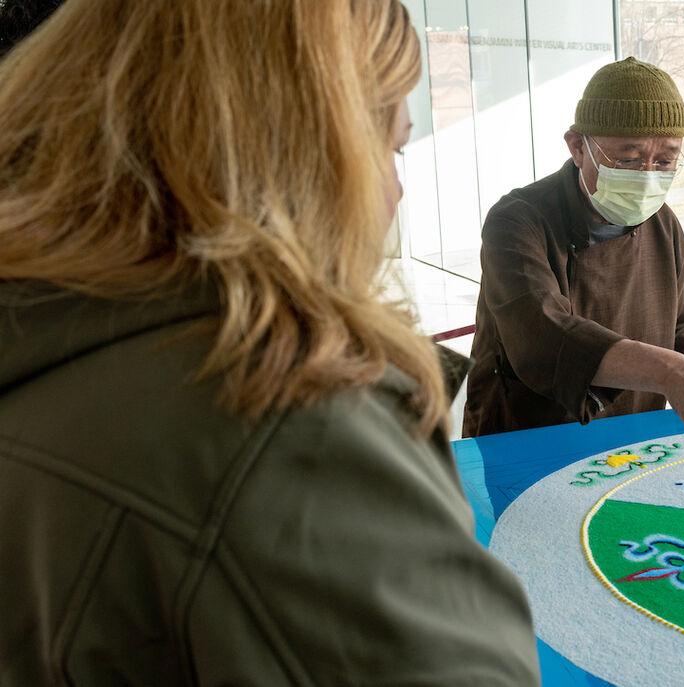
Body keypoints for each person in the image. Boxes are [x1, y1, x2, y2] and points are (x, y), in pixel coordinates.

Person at [0, 1, 540, 684]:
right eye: (392, 148)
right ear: (308, 150)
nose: (397, 189)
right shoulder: (289, 429)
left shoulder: (46, 347)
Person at [462, 57, 684, 444]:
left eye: (665, 160)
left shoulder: (662, 223)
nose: (647, 176)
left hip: (634, 432)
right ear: (578, 147)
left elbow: (677, 329)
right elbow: (545, 337)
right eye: (628, 159)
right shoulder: (517, 221)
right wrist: (669, 373)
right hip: (528, 433)